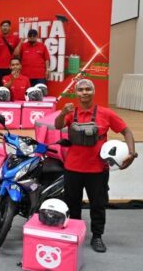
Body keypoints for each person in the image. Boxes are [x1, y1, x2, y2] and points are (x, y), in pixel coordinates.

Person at [54, 79, 137, 253]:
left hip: (98, 170)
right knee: (72, 204)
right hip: (73, 168)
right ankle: (74, 233)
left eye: (88, 89)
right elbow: (57, 125)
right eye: (81, 90)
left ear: (93, 92)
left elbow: (127, 131)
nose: (84, 92)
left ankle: (97, 236)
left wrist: (131, 152)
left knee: (98, 205)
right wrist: (62, 113)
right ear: (76, 93)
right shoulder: (70, 112)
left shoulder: (106, 113)